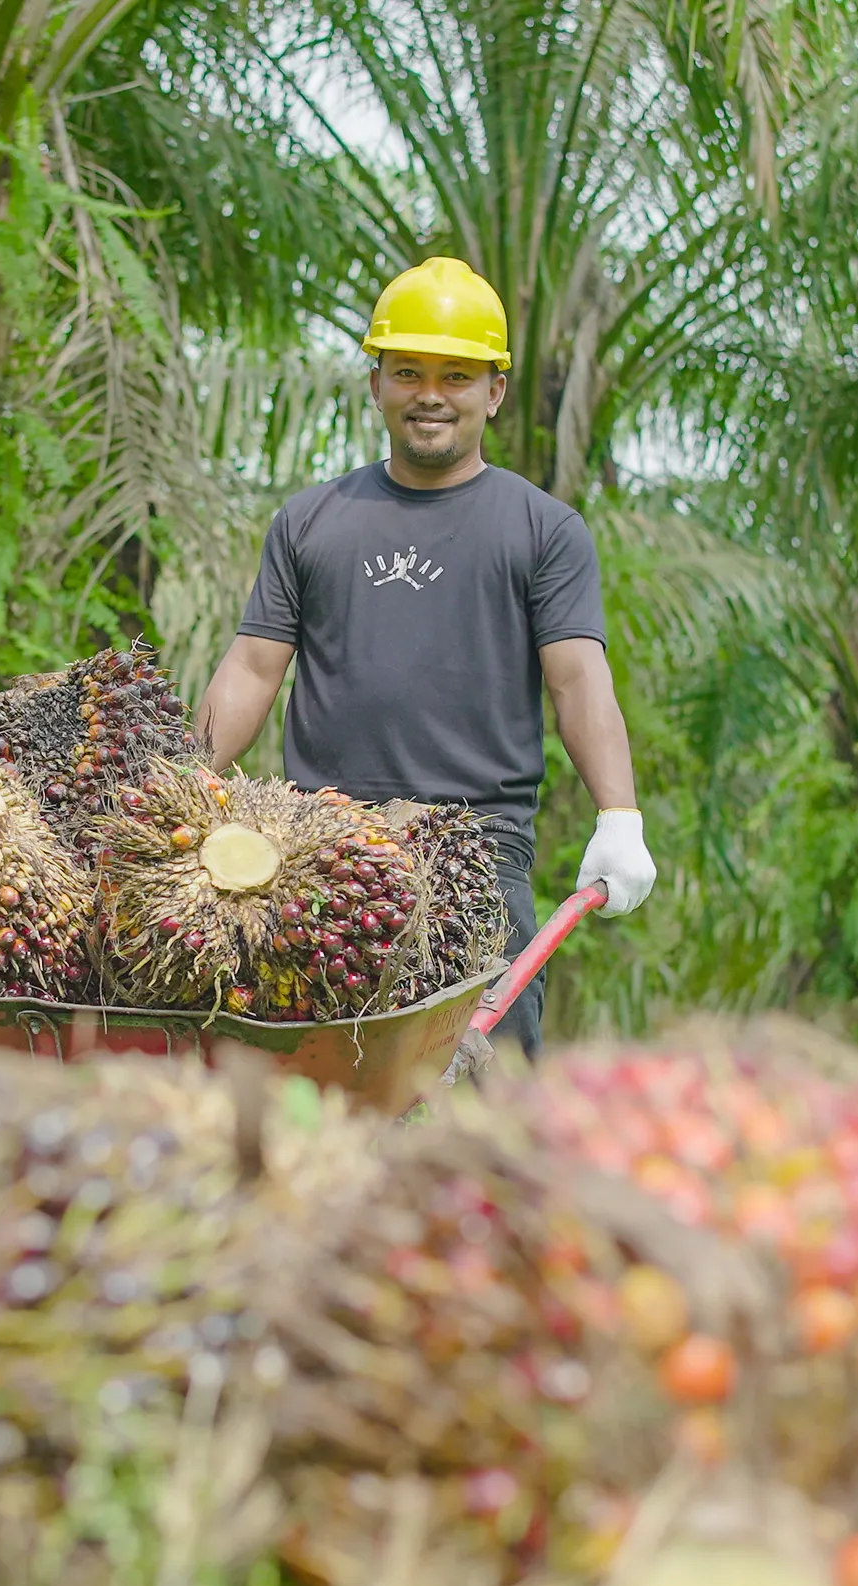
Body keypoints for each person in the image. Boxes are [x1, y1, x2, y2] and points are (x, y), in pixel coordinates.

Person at [195, 257, 656, 1059]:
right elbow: (252, 669)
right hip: (320, 850)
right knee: (317, 1090)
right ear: (376, 385)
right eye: (407, 371)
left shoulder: (543, 530)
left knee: (487, 1095)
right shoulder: (312, 521)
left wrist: (619, 813)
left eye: (456, 375)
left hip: (478, 854)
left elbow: (578, 678)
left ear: (494, 391)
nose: (431, 394)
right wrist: (179, 778)